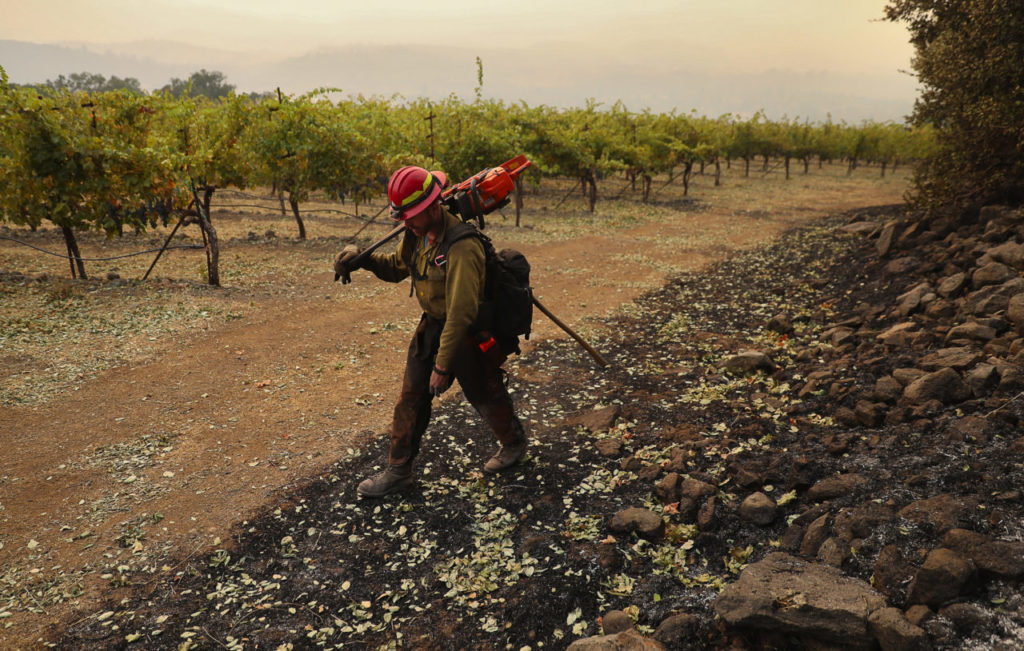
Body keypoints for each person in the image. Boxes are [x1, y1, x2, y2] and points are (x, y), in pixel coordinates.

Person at [334, 165, 527, 498]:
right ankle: (398, 472)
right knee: (411, 397)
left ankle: (512, 443)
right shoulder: (416, 233)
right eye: (403, 217)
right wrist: (361, 261)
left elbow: (462, 312)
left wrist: (442, 366)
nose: (406, 223)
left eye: (412, 216)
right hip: (434, 325)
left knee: (484, 393)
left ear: (433, 206)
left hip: (467, 333)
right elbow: (398, 268)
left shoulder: (463, 247)